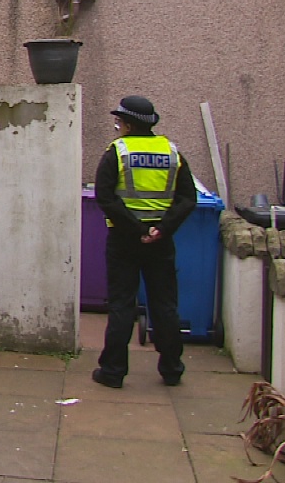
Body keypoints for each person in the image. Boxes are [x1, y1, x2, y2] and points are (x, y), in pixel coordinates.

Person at [92, 95, 196, 388]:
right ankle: (172, 369)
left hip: (125, 240)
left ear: (126, 123)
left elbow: (106, 197)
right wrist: (162, 229)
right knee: (164, 305)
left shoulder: (118, 152)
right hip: (161, 241)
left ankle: (112, 371)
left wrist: (135, 228)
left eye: (118, 122)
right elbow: (188, 197)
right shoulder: (172, 152)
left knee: (122, 304)